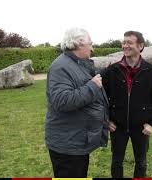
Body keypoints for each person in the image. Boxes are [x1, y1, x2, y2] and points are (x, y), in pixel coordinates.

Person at [45, 27, 109, 177]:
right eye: (90, 44)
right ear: (79, 43)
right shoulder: (61, 67)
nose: (92, 49)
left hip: (76, 140)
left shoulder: (76, 63)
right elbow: (62, 101)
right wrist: (92, 86)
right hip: (67, 145)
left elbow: (79, 81)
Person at [102, 31, 152, 178]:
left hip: (142, 127)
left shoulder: (151, 71)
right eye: (124, 42)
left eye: (129, 42)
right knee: (116, 162)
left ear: (141, 46)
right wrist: (106, 119)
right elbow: (101, 97)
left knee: (141, 162)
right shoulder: (112, 70)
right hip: (117, 126)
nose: (125, 45)